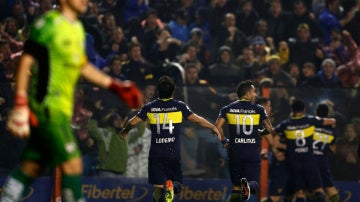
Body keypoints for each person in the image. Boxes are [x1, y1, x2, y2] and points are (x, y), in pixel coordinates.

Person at [1, 0, 143, 201]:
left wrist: (116, 86)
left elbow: (82, 66)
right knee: (73, 162)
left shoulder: (76, 29)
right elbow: (26, 61)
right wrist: (21, 104)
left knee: (33, 163)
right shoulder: (48, 24)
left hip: (61, 107)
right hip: (47, 105)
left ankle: (8, 197)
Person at [119, 75, 221, 202]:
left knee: (158, 188)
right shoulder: (179, 106)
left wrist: (125, 131)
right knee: (177, 184)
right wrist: (212, 126)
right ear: (173, 91)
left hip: (156, 153)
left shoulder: (150, 107)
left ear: (158, 91)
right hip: (173, 152)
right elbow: (197, 120)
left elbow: (133, 122)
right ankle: (173, 186)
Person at [214, 80, 279, 202]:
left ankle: (244, 187)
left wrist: (224, 141)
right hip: (252, 152)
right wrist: (259, 132)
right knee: (253, 183)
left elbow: (216, 127)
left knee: (236, 188)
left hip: (235, 151)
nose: (255, 95)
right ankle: (248, 186)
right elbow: (270, 129)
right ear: (248, 94)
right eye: (254, 92)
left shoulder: (228, 108)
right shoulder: (258, 109)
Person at [274, 99, 336, 202]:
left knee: (298, 192)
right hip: (312, 162)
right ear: (304, 109)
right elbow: (333, 148)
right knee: (319, 190)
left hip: (293, 162)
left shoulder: (287, 124)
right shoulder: (311, 121)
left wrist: (279, 147)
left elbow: (273, 134)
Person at [313, 103, 339, 202]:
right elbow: (332, 147)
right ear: (327, 114)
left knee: (310, 190)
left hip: (310, 161)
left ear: (315, 112)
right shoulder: (332, 130)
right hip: (323, 162)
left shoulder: (309, 125)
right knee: (331, 191)